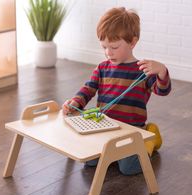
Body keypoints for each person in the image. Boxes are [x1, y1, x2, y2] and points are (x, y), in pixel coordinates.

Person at [62, 7, 171, 175]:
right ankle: (114, 153)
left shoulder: (143, 70)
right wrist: (76, 102)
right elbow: (88, 88)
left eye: (114, 47)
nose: (108, 53)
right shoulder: (102, 68)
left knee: (129, 169)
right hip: (105, 127)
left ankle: (149, 138)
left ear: (132, 42)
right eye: (104, 47)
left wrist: (162, 71)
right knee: (90, 161)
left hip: (132, 130)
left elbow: (162, 90)